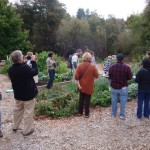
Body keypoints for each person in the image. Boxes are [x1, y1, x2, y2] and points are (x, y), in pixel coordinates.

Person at [8, 50, 38, 136]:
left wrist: (24, 62)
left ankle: (15, 126)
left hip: (18, 94)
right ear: (20, 58)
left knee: (17, 110)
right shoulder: (25, 68)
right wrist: (34, 62)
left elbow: (21, 70)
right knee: (28, 112)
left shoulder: (11, 69)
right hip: (28, 94)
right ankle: (27, 130)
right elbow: (35, 71)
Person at [75, 52, 99, 118]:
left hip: (81, 86)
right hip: (89, 86)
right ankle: (86, 114)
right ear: (90, 58)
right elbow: (97, 76)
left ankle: (80, 113)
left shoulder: (79, 65)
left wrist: (79, 85)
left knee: (81, 99)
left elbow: (76, 77)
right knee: (87, 100)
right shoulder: (92, 66)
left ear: (83, 57)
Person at [109, 53, 132, 119]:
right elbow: (130, 77)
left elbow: (109, 77)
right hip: (123, 87)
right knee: (123, 101)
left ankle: (113, 114)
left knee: (114, 100)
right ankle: (121, 115)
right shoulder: (127, 67)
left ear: (116, 58)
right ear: (123, 59)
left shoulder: (112, 67)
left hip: (114, 87)